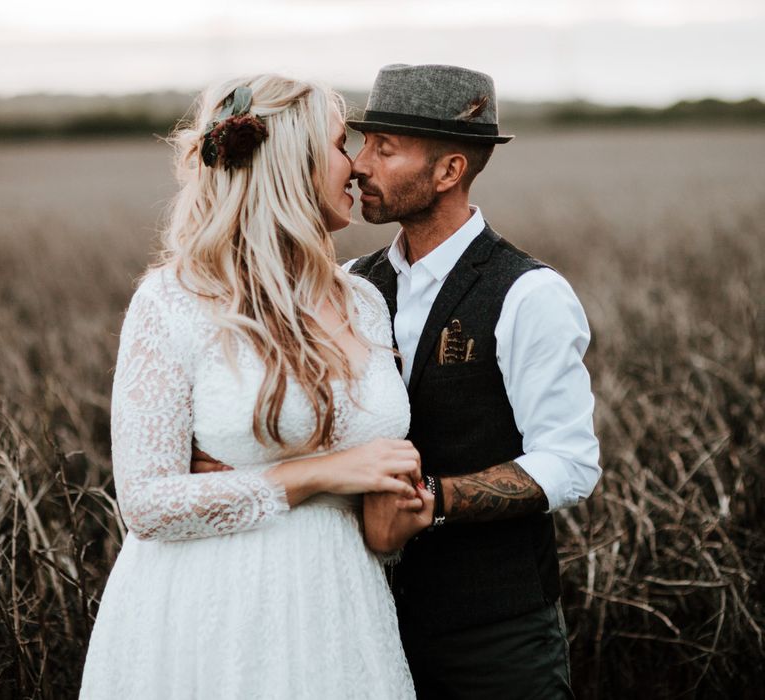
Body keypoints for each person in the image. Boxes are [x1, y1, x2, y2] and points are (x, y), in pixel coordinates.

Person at [80, 74, 420, 699]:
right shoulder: (177, 301)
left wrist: (392, 520)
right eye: (343, 144)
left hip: (342, 605)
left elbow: (370, 486)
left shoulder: (365, 303)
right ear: (292, 162)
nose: (358, 165)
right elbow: (147, 505)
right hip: (215, 604)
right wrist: (320, 473)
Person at [344, 64, 602, 699]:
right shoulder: (350, 283)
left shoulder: (528, 293)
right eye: (361, 142)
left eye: (385, 147)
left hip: (496, 635)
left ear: (449, 171)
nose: (358, 164)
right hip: (363, 622)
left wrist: (430, 500)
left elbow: (569, 462)